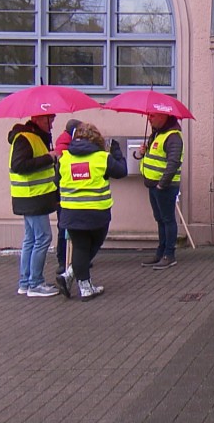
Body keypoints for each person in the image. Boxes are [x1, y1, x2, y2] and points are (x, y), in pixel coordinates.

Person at [54, 123, 127, 300]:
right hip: (97, 213)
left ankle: (69, 275)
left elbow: (57, 182)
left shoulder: (64, 159)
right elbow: (121, 171)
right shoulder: (102, 157)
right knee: (90, 247)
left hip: (71, 212)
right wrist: (116, 152)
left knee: (80, 247)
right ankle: (84, 287)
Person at [7, 114, 61, 298]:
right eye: (49, 120)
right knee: (43, 238)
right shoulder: (26, 138)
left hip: (31, 196)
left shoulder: (32, 137)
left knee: (30, 239)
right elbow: (19, 165)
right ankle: (35, 283)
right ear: (38, 119)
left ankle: (26, 282)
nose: (51, 124)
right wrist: (49, 158)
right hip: (32, 197)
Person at [135, 112, 184, 270]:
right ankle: (161, 252)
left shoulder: (173, 137)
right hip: (153, 185)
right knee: (160, 220)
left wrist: (162, 184)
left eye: (153, 116)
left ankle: (169, 255)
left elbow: (173, 162)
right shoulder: (156, 134)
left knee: (168, 220)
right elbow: (152, 158)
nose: (149, 119)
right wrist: (141, 153)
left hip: (165, 187)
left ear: (164, 117)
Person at [53, 118, 82, 275]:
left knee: (65, 227)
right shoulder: (65, 150)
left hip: (63, 195)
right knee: (64, 228)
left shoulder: (63, 145)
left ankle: (69, 260)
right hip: (64, 196)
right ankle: (64, 261)